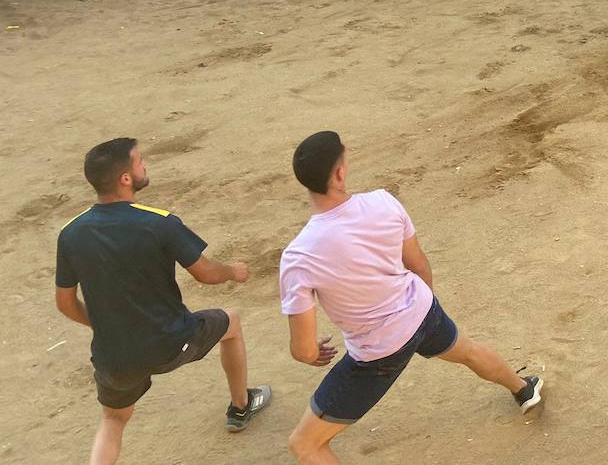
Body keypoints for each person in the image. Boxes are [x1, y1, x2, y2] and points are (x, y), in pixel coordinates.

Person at [279, 132, 543, 464]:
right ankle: (523, 388)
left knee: (305, 445)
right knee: (468, 351)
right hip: (421, 309)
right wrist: (419, 311)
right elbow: (418, 264)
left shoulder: (299, 256)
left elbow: (303, 351)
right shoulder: (383, 202)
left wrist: (313, 352)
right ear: (340, 173)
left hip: (376, 353)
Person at [55, 138, 271, 465]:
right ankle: (240, 407)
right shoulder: (159, 222)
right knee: (232, 321)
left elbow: (65, 303)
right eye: (140, 162)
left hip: (114, 356)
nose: (144, 167)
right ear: (125, 178)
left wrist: (103, 324)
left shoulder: (70, 234)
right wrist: (232, 271)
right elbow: (204, 273)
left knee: (113, 421)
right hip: (172, 342)